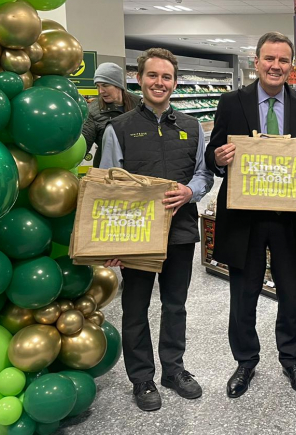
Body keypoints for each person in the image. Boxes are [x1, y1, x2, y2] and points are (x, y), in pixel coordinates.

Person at [206, 32, 296, 399]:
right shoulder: (231, 103)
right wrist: (218, 157)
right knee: (244, 295)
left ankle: (291, 357)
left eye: (283, 60)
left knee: (291, 294)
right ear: (256, 62)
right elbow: (213, 153)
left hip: (290, 218)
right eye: (269, 59)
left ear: (292, 65)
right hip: (244, 219)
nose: (276, 66)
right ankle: (245, 360)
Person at [99, 48, 214, 412]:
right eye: (152, 75)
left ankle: (173, 370)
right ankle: (142, 378)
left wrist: (190, 191)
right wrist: (112, 243)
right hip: (136, 236)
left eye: (166, 77)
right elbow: (107, 188)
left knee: (175, 305)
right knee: (135, 307)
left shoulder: (192, 127)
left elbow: (204, 174)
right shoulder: (119, 129)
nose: (159, 83)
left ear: (175, 83)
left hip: (180, 230)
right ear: (139, 78)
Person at [81, 62, 141, 167]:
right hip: (107, 169)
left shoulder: (139, 103)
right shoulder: (93, 111)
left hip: (137, 166)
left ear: (118, 85)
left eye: (105, 85)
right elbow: (83, 145)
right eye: (98, 86)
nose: (101, 91)